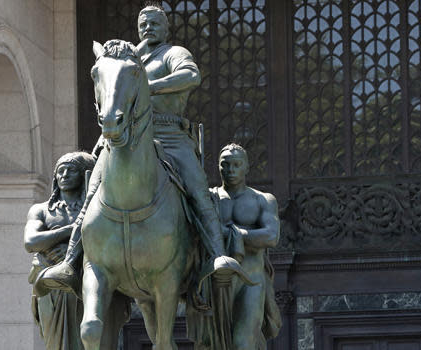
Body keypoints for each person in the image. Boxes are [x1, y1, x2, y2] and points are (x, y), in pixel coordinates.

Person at [34, 4, 252, 297]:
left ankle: (216, 256)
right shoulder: (128, 57)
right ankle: (71, 263)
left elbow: (191, 76)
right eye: (143, 23)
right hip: (126, 136)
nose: (147, 27)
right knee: (91, 194)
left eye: (154, 22)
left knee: (198, 190)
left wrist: (148, 86)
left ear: (166, 28)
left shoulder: (174, 53)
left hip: (171, 134)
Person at [211, 144, 282, 349]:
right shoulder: (209, 198)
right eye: (225, 165)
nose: (230, 170)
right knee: (214, 345)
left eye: (236, 165)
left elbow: (271, 236)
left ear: (247, 167)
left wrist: (235, 234)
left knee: (242, 343)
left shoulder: (263, 200)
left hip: (251, 280)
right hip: (217, 282)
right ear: (218, 167)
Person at [24, 152, 95, 350]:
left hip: (84, 283)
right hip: (49, 284)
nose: (64, 175)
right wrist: (72, 230)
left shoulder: (94, 209)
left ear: (84, 175)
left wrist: (72, 251)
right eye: (60, 171)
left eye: (70, 170)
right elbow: (30, 242)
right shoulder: (41, 210)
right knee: (55, 344)